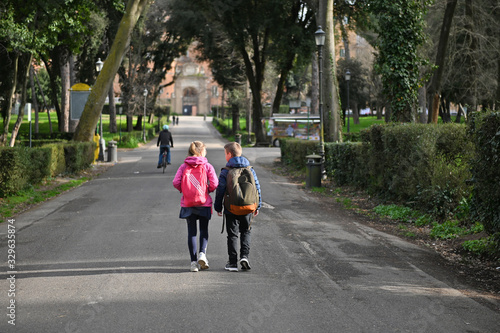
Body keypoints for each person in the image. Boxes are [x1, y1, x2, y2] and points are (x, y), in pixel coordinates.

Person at [214, 142, 261, 272]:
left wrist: (218, 207)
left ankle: (233, 263)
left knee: (232, 235)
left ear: (229, 154)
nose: (225, 156)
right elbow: (257, 187)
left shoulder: (226, 171)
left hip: (231, 207)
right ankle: (244, 257)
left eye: (225, 154)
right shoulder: (250, 169)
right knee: (246, 231)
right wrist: (258, 205)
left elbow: (220, 189)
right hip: (248, 206)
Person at [173, 141, 219, 272]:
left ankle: (193, 263)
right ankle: (202, 254)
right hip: (204, 202)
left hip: (188, 204)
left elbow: (176, 182)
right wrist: (207, 190)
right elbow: (215, 183)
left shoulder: (183, 166)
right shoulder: (207, 166)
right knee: (204, 230)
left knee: (191, 232)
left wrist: (185, 191)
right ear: (202, 151)